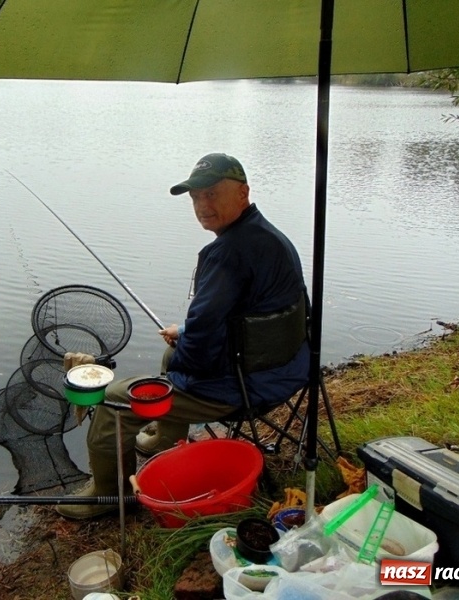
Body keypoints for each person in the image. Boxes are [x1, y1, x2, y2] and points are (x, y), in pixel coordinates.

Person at [56, 153, 310, 520]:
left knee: (113, 401)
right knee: (171, 352)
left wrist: (177, 370)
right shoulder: (269, 237)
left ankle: (110, 495)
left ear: (243, 192)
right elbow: (245, 315)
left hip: (245, 385)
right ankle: (164, 439)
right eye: (195, 197)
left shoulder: (227, 254)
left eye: (211, 194)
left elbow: (202, 346)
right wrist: (185, 333)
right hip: (287, 366)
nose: (202, 205)